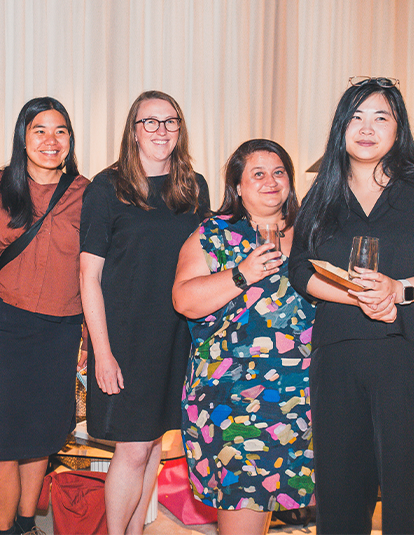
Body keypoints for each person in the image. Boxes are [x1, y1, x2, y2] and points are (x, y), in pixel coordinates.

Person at [289, 77, 414, 535]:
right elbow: (300, 268)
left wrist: (399, 290)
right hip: (337, 357)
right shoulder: (323, 194)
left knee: (408, 499)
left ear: (399, 128)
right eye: (356, 117)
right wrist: (356, 295)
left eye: (380, 117)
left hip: (412, 354)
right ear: (341, 127)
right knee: (339, 499)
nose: (367, 128)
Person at [80, 90, 210, 535]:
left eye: (170, 121)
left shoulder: (193, 186)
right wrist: (102, 352)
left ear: (180, 129)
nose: (161, 130)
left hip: (178, 334)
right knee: (133, 449)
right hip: (126, 337)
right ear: (133, 132)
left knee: (154, 443)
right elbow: (88, 277)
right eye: (149, 122)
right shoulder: (106, 188)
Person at [172, 139, 315, 535]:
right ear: (237, 186)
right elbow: (184, 300)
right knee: (244, 511)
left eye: (279, 172)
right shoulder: (215, 233)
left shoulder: (313, 232)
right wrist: (242, 274)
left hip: (302, 398)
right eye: (258, 174)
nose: (271, 181)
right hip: (235, 400)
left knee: (272, 502)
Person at [0, 96, 88, 535]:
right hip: (4, 329)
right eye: (40, 131)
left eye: (60, 131)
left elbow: (96, 272)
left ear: (70, 140)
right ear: (23, 138)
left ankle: (26, 524)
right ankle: (4, 532)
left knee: (40, 440)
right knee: (0, 444)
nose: (51, 140)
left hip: (61, 332)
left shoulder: (87, 194)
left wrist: (89, 336)